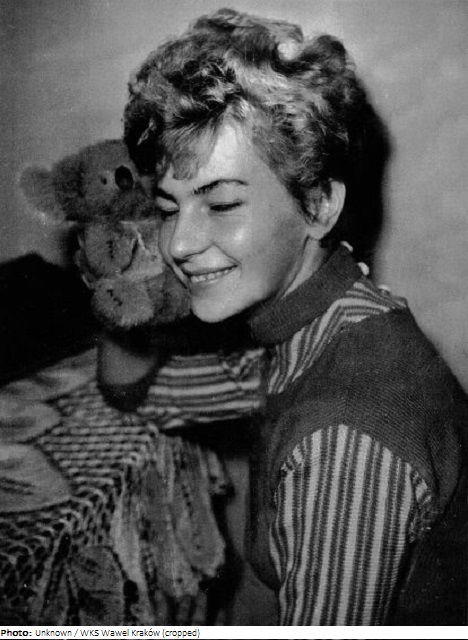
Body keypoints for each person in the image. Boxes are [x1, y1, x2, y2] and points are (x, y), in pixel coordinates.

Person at [108, 7, 467, 625]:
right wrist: (120, 288)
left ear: (319, 204)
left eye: (222, 203)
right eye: (169, 209)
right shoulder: (317, 317)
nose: (180, 244)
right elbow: (143, 394)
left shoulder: (345, 437)